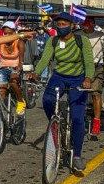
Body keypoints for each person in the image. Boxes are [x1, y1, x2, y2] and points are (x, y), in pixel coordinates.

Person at [31, 12, 94, 172]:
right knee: (47, 100)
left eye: (64, 25)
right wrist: (37, 72)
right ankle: (55, 124)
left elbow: (88, 62)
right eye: (58, 25)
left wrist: (88, 78)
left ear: (72, 26)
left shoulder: (82, 41)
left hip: (77, 78)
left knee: (78, 117)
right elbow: (45, 59)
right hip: (59, 76)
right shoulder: (53, 41)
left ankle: (77, 155)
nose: (61, 28)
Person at [0, 21, 26, 115]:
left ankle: (20, 101)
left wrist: (19, 66)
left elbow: (21, 57)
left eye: (9, 33)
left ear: (14, 32)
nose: (7, 35)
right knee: (1, 90)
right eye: (5, 33)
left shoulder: (19, 42)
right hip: (3, 68)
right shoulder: (0, 41)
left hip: (15, 68)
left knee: (13, 83)